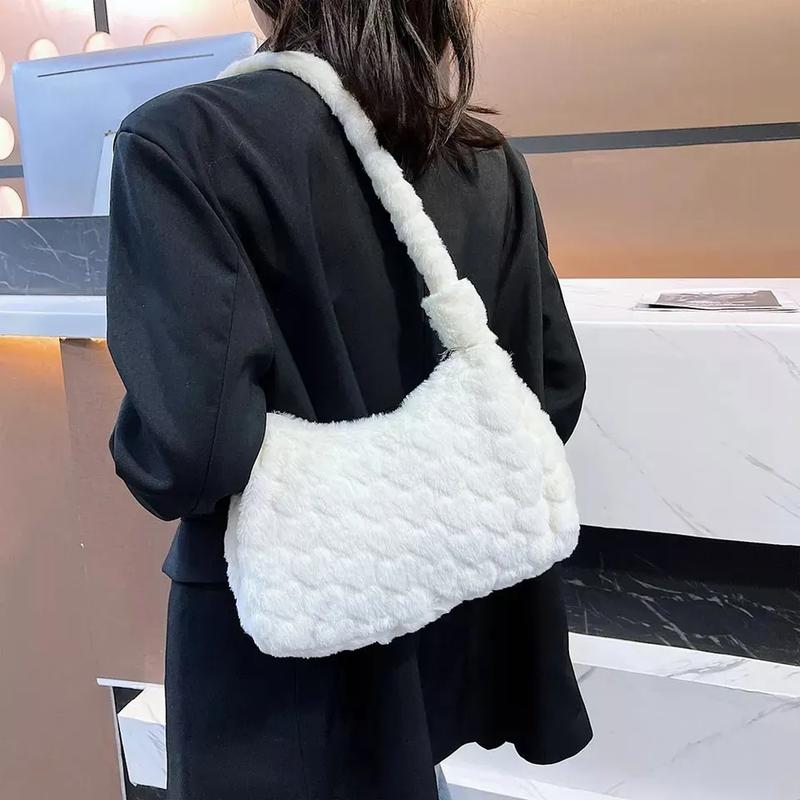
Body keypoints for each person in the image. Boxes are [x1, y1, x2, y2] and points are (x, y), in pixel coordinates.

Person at [106, 1, 592, 798]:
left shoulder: (186, 141)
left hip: (285, 682)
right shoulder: (481, 156)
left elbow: (190, 455)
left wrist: (138, 436)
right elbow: (553, 391)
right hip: (447, 629)